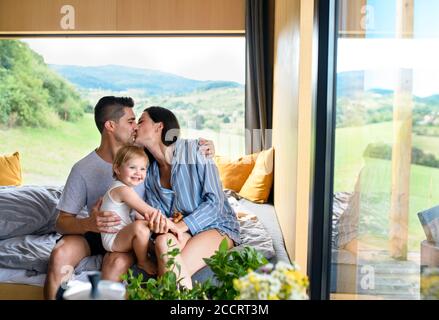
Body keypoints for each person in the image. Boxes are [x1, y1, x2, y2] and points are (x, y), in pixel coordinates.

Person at [43, 96, 214, 300]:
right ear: (110, 126)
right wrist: (88, 223)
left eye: (137, 121)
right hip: (97, 230)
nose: (135, 127)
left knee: (115, 263)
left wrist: (205, 147)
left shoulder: (144, 158)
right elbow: (62, 222)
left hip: (133, 234)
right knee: (59, 254)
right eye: (131, 121)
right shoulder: (83, 169)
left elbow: (170, 149)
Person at [134, 106, 241, 289]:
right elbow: (160, 216)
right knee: (162, 241)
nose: (136, 127)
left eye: (141, 121)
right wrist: (163, 225)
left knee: (170, 277)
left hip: (216, 225)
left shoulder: (196, 150)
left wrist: (178, 226)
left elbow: (216, 203)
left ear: (159, 126)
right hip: (182, 232)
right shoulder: (150, 173)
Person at [100, 145, 182, 275]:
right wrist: (174, 227)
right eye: (132, 167)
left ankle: (158, 256)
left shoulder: (126, 189)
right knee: (141, 228)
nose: (138, 172)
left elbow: (139, 215)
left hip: (121, 235)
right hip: (114, 239)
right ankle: (143, 262)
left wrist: (163, 221)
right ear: (117, 169)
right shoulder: (122, 190)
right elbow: (148, 212)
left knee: (147, 231)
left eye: (143, 169)